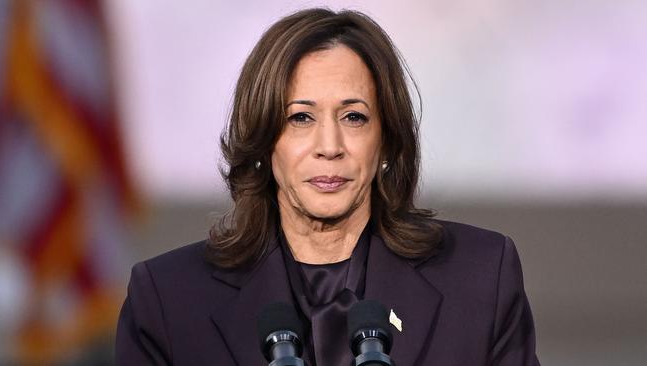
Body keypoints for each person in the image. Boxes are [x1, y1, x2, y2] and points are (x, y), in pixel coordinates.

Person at [115, 8, 540, 366]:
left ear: (387, 138)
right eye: (301, 118)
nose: (329, 147)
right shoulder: (169, 300)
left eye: (353, 117)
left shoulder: (480, 278)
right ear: (264, 140)